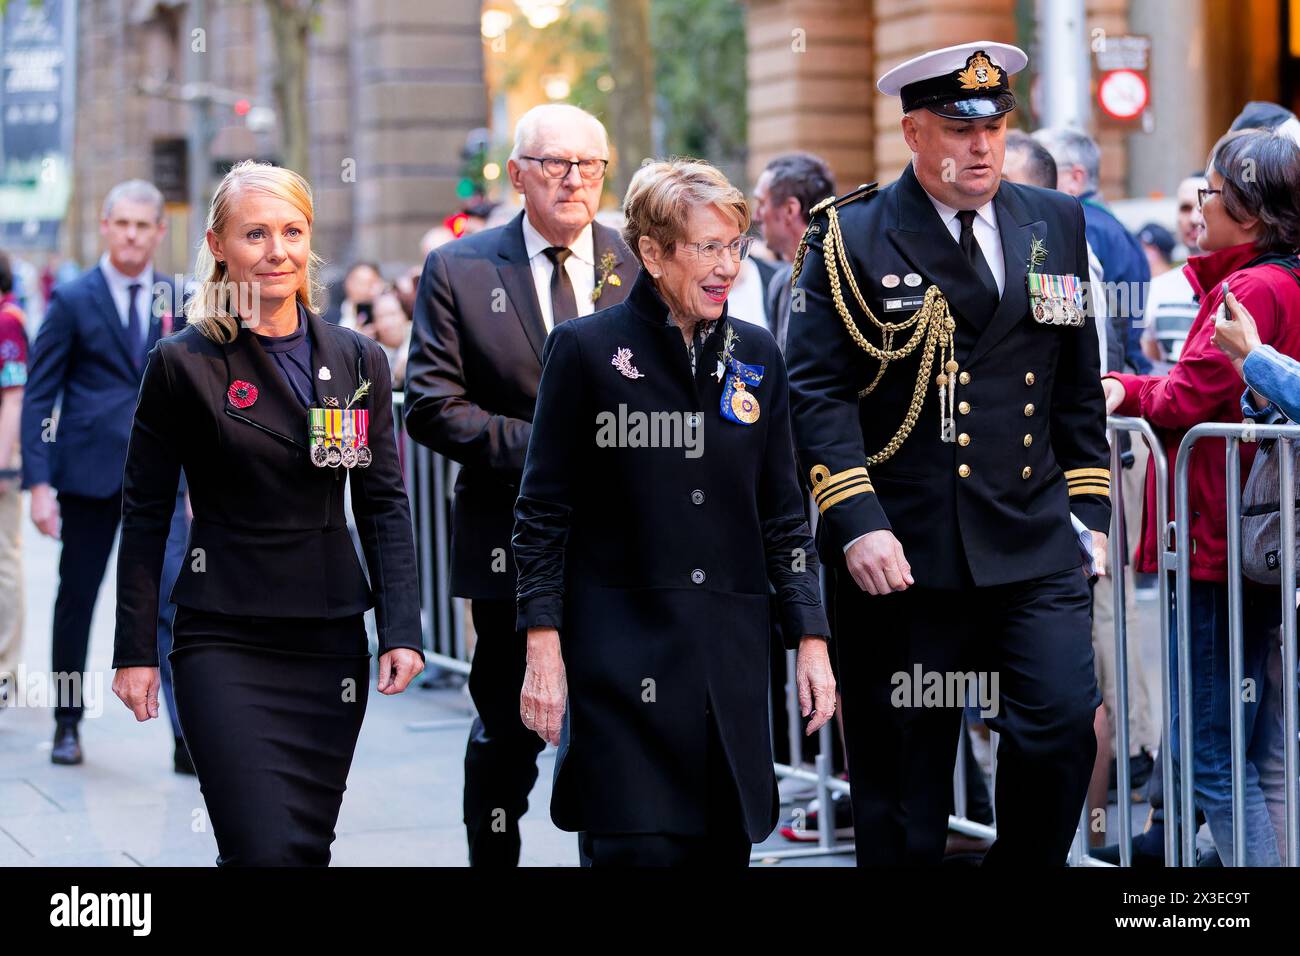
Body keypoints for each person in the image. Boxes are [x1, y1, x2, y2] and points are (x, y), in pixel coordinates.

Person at [787, 41, 1110, 866]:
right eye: (960, 130)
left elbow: (1076, 386)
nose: (983, 147)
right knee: (903, 786)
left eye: (995, 127)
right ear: (914, 134)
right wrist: (856, 521)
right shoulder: (848, 236)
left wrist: (1090, 513)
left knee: (1063, 724)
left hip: (1031, 537)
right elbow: (817, 394)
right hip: (905, 549)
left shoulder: (1055, 221)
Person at [513, 158, 836, 867]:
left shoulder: (757, 355)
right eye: (707, 247)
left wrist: (811, 637)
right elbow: (543, 513)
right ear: (653, 252)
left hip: (729, 677)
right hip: (620, 675)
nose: (727, 266)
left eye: (734, 246)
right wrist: (543, 645)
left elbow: (784, 515)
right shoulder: (587, 351)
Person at [111, 160, 425, 866]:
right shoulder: (182, 364)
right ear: (219, 244)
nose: (277, 250)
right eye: (256, 233)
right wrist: (134, 650)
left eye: (291, 231)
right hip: (223, 636)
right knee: (261, 848)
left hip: (328, 638)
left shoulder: (357, 360)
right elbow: (146, 513)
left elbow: (383, 505)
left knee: (303, 848)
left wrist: (400, 625)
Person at [404, 103, 638, 867]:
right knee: (510, 731)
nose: (575, 179)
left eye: (590, 165)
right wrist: (550, 449)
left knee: (615, 731)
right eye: (554, 164)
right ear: (516, 175)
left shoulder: (637, 262)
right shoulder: (461, 268)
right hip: (509, 544)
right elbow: (433, 405)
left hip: (629, 547)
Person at [1102, 127, 1300, 866]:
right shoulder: (1276, 278)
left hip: (1219, 540)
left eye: (1210, 195)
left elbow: (1194, 396)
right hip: (1250, 540)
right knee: (1260, 745)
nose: (1196, 212)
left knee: (1212, 749)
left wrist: (1123, 387)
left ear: (1248, 211)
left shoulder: (1252, 287)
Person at [20, 180, 179, 764]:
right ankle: (67, 723)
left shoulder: (177, 297)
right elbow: (40, 398)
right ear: (106, 227)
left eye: (144, 225)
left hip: (164, 480)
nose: (133, 234)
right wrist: (39, 484)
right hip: (87, 476)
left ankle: (184, 735)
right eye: (123, 224)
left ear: (159, 231)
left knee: (171, 601)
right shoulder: (73, 298)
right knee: (77, 600)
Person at [1035, 126, 1152, 376]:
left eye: (1043, 168)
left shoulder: (1077, 227)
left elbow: (1077, 327)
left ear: (1075, 178)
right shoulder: (1115, 227)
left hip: (1103, 377)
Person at [752, 152, 835, 351]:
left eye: (762, 203)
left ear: (790, 210)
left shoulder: (840, 280)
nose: (756, 216)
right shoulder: (780, 283)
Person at [1141, 175, 1207, 370]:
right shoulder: (1158, 287)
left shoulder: (1239, 283)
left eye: (1202, 205)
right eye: (1185, 208)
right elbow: (1150, 358)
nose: (1194, 218)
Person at [0, 252, 28, 708]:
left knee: (3, 561)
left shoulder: (8, 321)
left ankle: (4, 667)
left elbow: (14, 396)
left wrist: (3, 463)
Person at [370, 289, 412, 388]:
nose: (388, 323)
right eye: (381, 317)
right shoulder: (371, 351)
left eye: (392, 314)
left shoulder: (419, 341)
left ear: (405, 316)